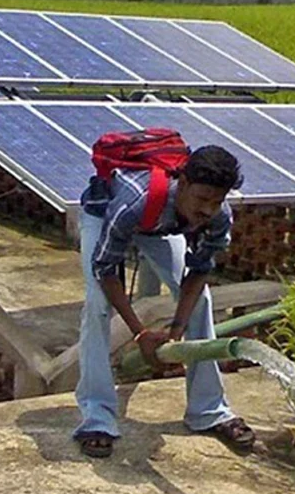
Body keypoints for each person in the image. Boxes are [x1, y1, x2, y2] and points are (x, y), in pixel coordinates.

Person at [73, 144, 256, 459]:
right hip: (104, 214)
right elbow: (105, 270)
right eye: (201, 199)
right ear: (182, 183)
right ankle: (97, 417)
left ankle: (209, 410)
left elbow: (198, 272)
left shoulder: (216, 215)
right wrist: (141, 334)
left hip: (160, 224)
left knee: (202, 301)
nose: (208, 210)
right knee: (97, 306)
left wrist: (177, 329)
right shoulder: (133, 203)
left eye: (216, 201)